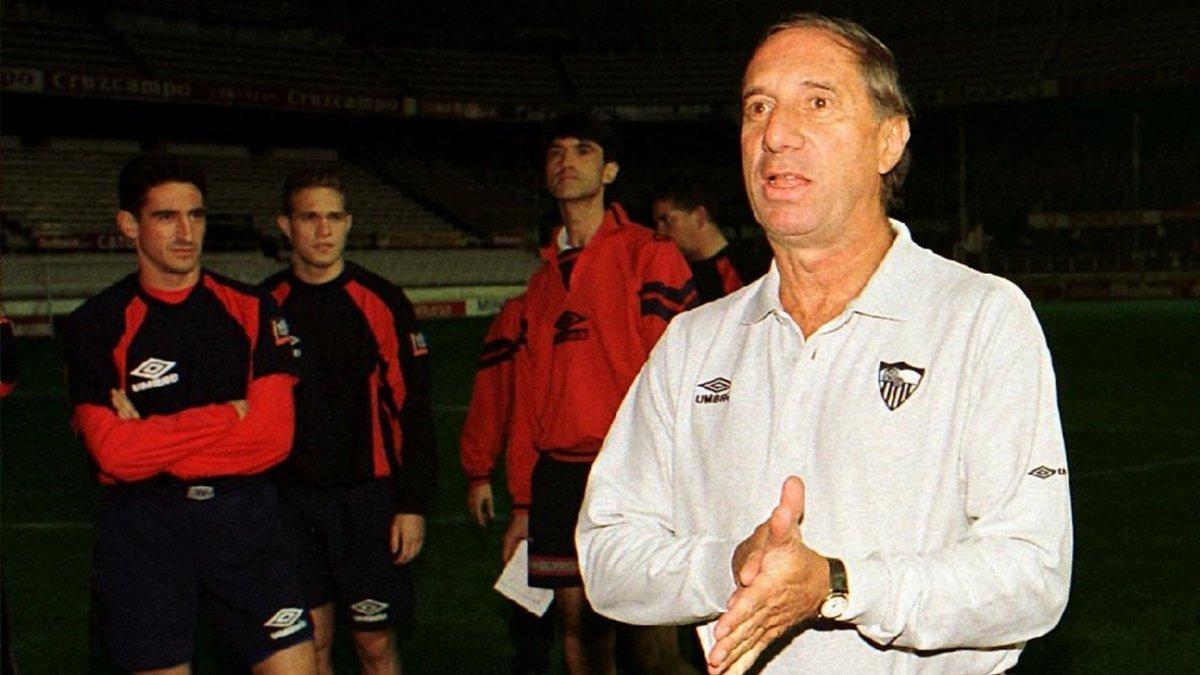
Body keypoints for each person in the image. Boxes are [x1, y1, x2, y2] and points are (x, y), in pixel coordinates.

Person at [577, 14, 1072, 675]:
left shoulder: (980, 318)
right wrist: (728, 563)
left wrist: (838, 586)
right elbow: (608, 554)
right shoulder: (694, 342)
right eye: (759, 107)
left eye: (817, 101)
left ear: (887, 141)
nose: (776, 134)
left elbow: (1032, 574)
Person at [60, 154, 316, 674]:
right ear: (129, 225)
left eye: (196, 216)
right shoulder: (95, 325)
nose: (185, 232)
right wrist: (226, 416)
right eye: (165, 217)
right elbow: (113, 453)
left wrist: (150, 437)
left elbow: (272, 439)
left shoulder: (252, 308)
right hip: (145, 530)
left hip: (246, 522)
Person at [502, 112, 699, 674]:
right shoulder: (540, 285)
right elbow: (528, 400)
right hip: (561, 475)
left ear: (609, 169)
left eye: (583, 149)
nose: (567, 160)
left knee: (650, 641)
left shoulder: (648, 254)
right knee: (581, 635)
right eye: (556, 151)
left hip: (635, 469)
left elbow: (678, 376)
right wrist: (522, 501)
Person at [262, 168, 436, 675]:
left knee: (375, 647)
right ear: (285, 225)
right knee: (308, 646)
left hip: (368, 504)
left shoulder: (381, 301)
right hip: (289, 505)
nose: (322, 230)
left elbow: (413, 410)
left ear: (349, 224)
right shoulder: (262, 306)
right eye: (309, 217)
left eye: (333, 217)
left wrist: (411, 504)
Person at [459, 294, 557, 674]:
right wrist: (479, 470)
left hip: (608, 487)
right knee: (533, 622)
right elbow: (492, 392)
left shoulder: (617, 298)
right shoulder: (523, 312)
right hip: (538, 490)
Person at [650, 177, 770, 304]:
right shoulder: (672, 275)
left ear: (699, 216)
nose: (659, 232)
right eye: (657, 223)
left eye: (667, 220)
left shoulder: (750, 267)